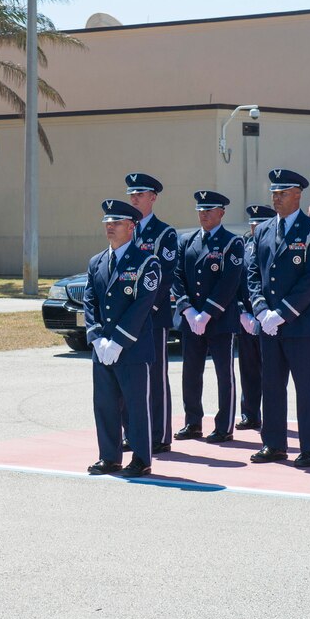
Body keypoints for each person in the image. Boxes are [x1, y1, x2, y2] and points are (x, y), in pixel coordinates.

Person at [247, 169, 310, 467]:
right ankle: (274, 444)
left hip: (299, 324)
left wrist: (281, 313)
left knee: (305, 387)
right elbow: (253, 272)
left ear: (297, 195)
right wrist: (260, 309)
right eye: (274, 193)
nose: (276, 198)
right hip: (269, 325)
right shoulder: (265, 229)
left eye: (282, 193)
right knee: (270, 386)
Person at [84, 199, 162, 478]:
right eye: (107, 222)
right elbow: (90, 300)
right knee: (104, 404)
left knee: (136, 406)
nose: (110, 226)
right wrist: (96, 338)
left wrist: (117, 340)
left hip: (131, 348)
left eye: (116, 222)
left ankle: (141, 458)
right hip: (103, 349)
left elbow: (142, 305)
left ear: (131, 226)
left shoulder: (146, 261)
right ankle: (109, 457)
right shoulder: (97, 262)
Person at [171, 190, 243, 444]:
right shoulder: (187, 241)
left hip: (220, 319)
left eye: (209, 210)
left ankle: (224, 426)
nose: (204, 214)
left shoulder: (232, 243)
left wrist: (207, 313)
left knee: (224, 373)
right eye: (201, 210)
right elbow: (176, 276)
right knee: (191, 372)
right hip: (191, 320)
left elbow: (229, 282)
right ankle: (192, 422)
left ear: (222, 212)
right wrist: (188, 310)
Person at [124, 172, 179, 454]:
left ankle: (159, 435)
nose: (134, 198)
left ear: (153, 198)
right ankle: (131, 433)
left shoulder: (164, 233)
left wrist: (144, 311)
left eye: (140, 194)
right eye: (131, 194)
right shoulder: (124, 227)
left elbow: (165, 276)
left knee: (155, 377)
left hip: (152, 317)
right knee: (126, 378)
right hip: (125, 320)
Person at [236, 204, 275, 431]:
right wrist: (243, 312)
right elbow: (236, 282)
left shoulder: (270, 245)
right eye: (252, 224)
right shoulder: (244, 246)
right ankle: (249, 413)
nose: (254, 228)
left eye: (258, 224)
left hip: (268, 317)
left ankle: (271, 415)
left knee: (270, 372)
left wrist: (263, 315)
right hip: (246, 318)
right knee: (248, 369)